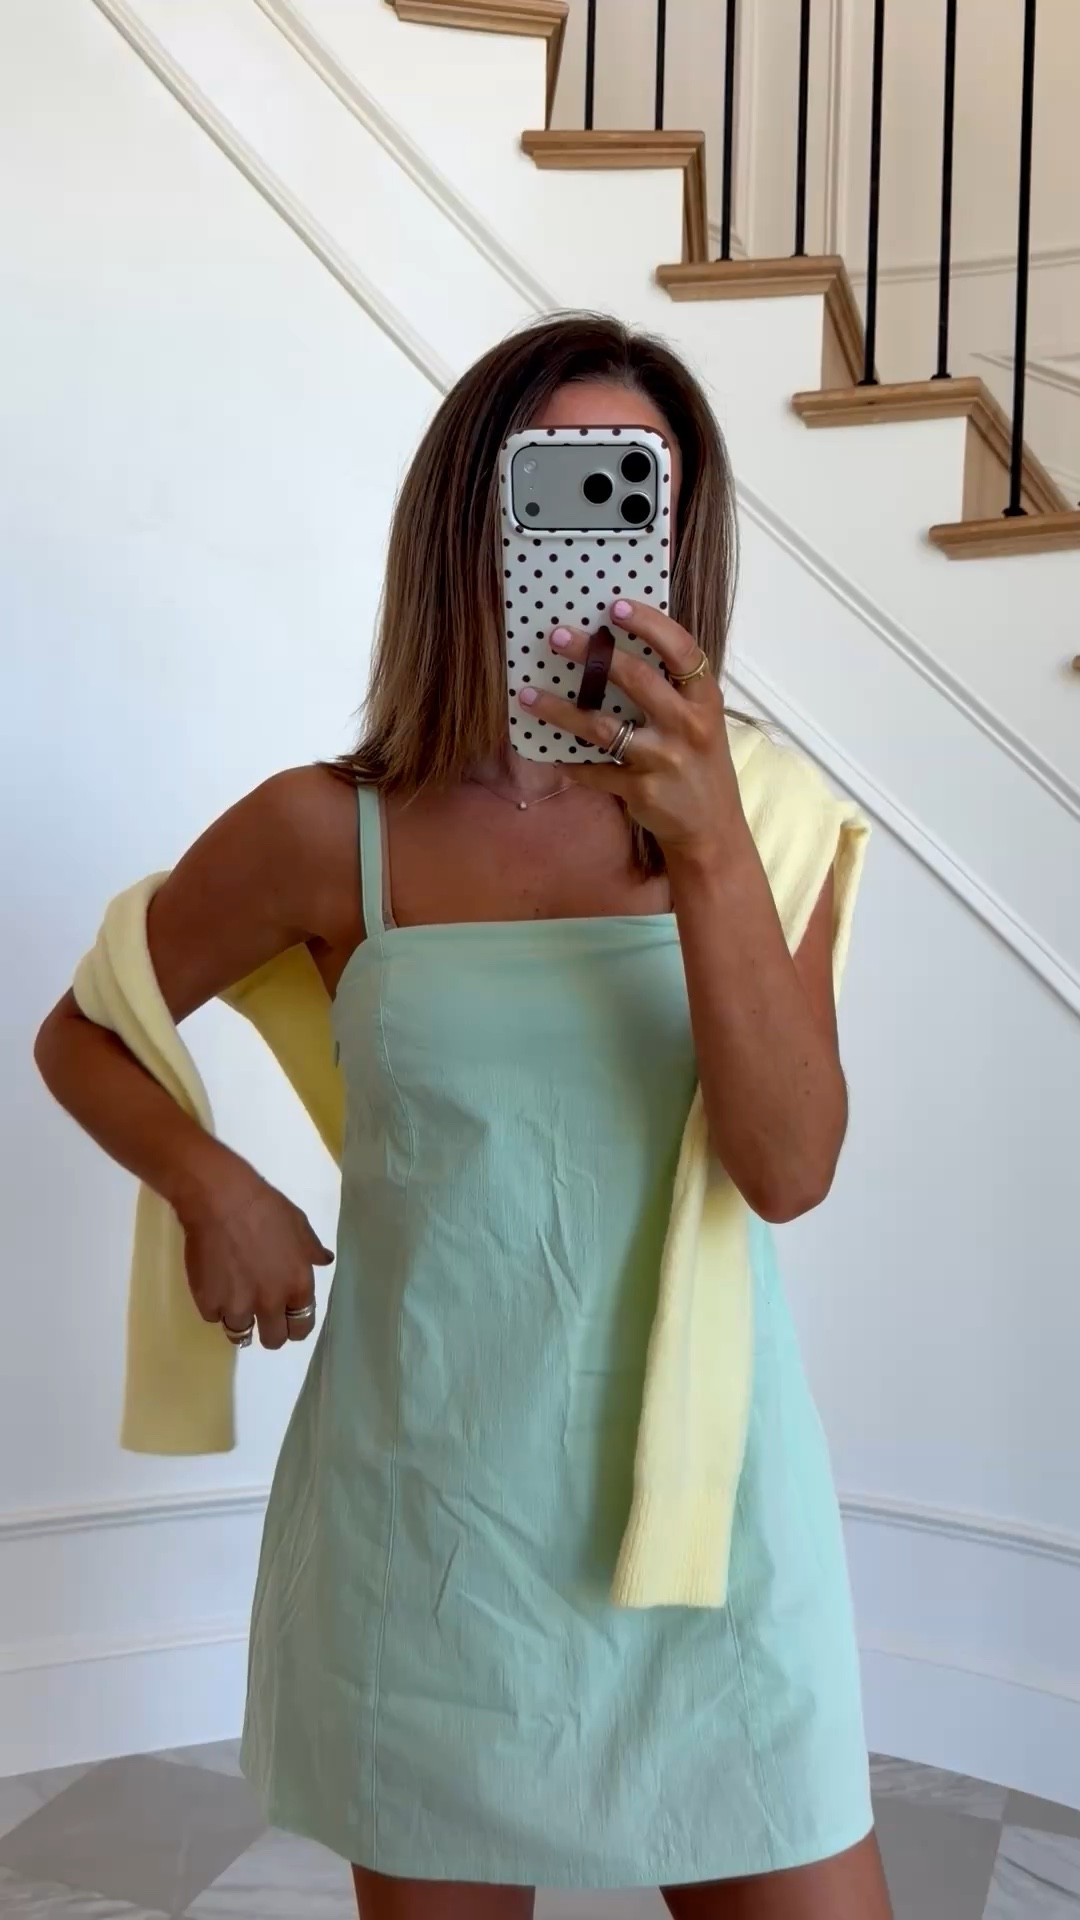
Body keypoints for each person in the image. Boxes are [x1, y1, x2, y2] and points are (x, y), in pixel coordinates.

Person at [35, 315, 891, 1920]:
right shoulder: (326, 833)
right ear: (465, 521)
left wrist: (707, 847)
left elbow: (787, 1170)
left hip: (711, 1522)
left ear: (677, 537)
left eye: (630, 491)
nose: (588, 534)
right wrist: (212, 1181)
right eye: (546, 487)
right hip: (429, 1515)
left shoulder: (769, 818)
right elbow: (85, 1030)